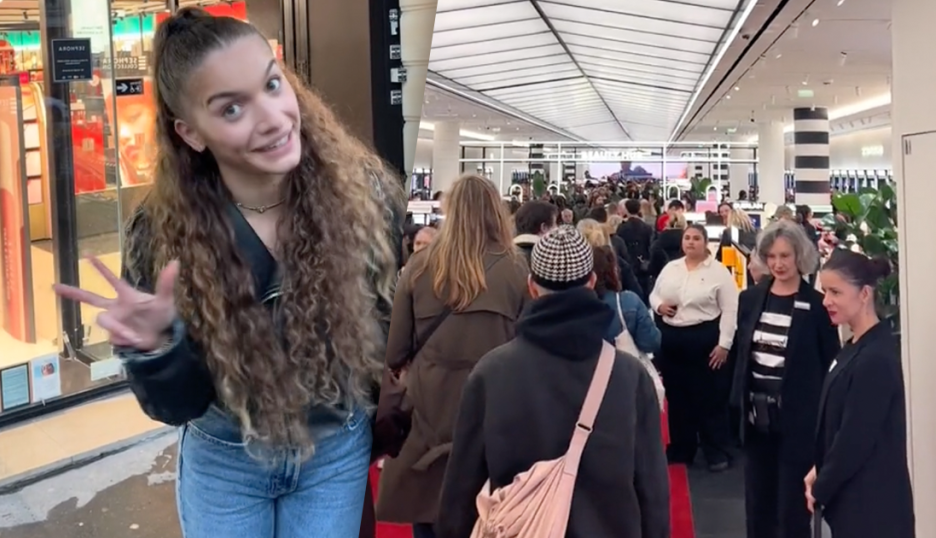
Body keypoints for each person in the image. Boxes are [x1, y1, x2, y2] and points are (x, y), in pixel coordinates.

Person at [53, 8, 405, 538]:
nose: (273, 118)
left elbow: (384, 332)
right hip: (226, 463)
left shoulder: (365, 197)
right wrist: (158, 351)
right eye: (232, 108)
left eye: (272, 84)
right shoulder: (162, 233)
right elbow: (178, 406)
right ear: (191, 133)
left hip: (334, 453)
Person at [436, 226, 670, 538]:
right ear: (591, 282)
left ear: (532, 286)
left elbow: (461, 489)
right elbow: (652, 490)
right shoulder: (629, 375)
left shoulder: (491, 372)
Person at [375, 174, 530, 538]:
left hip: (428, 411)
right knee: (488, 516)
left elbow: (395, 351)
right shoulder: (516, 268)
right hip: (495, 408)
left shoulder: (419, 266)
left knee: (429, 510)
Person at [729, 221, 841, 538]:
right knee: (758, 506)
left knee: (792, 510)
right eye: (772, 256)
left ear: (799, 256)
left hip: (798, 423)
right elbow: (742, 358)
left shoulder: (818, 306)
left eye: (785, 256)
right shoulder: (750, 299)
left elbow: (830, 364)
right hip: (756, 421)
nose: (778, 263)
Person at [805, 250, 914, 538]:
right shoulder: (855, 347)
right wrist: (820, 468)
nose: (826, 301)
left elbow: (855, 438)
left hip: (872, 509)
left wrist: (822, 486)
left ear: (864, 294)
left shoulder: (874, 358)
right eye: (825, 291)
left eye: (835, 292)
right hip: (856, 502)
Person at [650, 224, 738, 471]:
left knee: (709, 398)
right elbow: (654, 294)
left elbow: (730, 310)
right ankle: (682, 448)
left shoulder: (719, 272)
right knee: (678, 397)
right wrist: (659, 306)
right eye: (687, 238)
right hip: (672, 340)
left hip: (705, 340)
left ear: (705, 242)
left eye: (696, 238)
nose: (690, 242)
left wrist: (724, 345)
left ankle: (716, 450)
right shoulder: (671, 268)